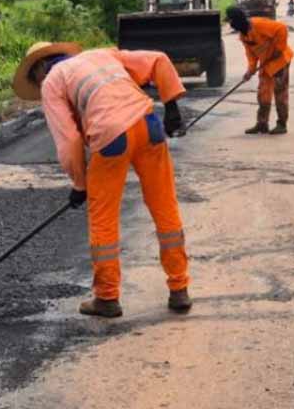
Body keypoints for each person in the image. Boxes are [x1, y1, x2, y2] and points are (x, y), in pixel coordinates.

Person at [12, 42, 192, 318]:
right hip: (149, 126)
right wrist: (171, 106)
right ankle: (179, 289)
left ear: (38, 70)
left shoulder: (51, 82)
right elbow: (158, 58)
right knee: (164, 206)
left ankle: (107, 297)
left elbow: (69, 140)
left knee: (103, 217)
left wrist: (79, 184)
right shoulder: (101, 54)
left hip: (111, 137)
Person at [225, 7, 294, 135]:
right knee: (263, 93)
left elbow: (282, 28)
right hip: (266, 64)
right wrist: (250, 71)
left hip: (280, 61)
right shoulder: (243, 36)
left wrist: (279, 49)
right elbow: (251, 56)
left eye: (230, 21)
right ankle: (262, 124)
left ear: (236, 20)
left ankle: (282, 124)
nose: (230, 25)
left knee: (280, 92)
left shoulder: (259, 24)